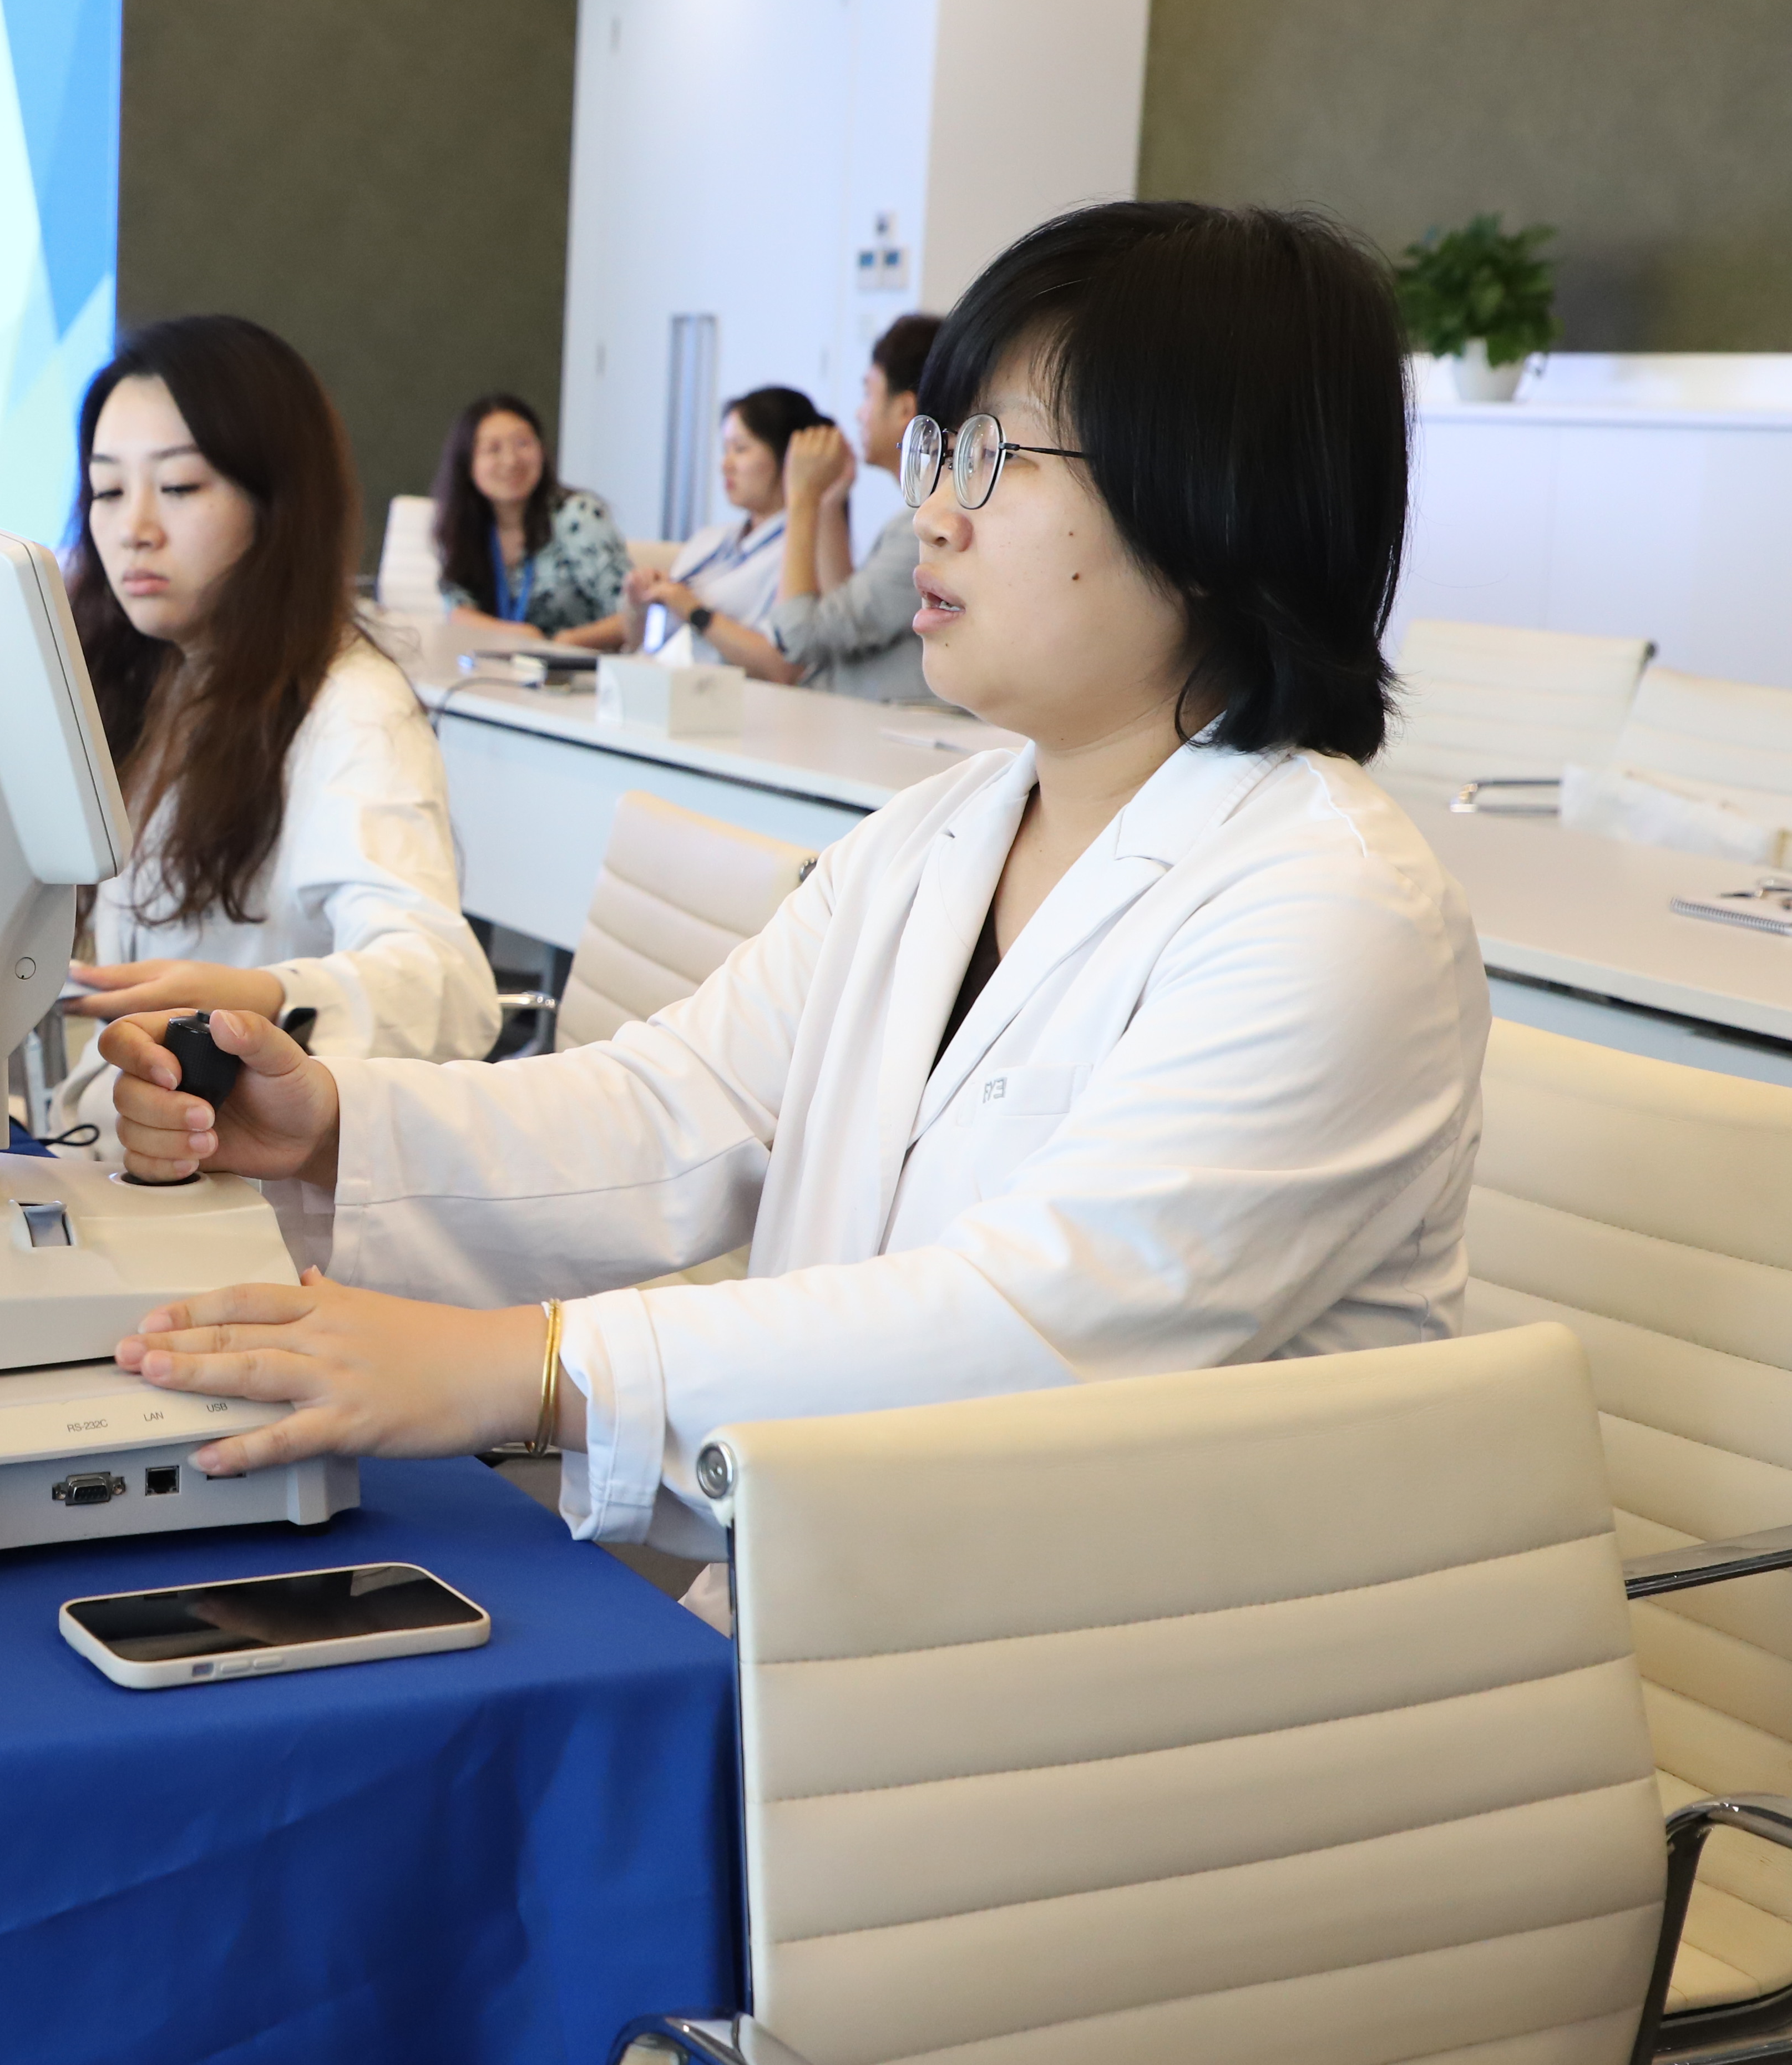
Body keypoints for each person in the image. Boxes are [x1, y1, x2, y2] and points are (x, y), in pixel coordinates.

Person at [90, 203, 1481, 1569]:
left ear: (1214, 501)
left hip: (1114, 1675)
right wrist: (335, 1126)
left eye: (993, 457)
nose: (930, 512)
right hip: (842, 1609)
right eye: (936, 449)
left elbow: (1026, 1328)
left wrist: (529, 1366)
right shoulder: (939, 835)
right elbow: (677, 1108)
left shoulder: (1333, 913)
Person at [58, 317, 498, 1120]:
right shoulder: (149, 673)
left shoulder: (352, 707)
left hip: (236, 1165)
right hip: (121, 1133)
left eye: (180, 487)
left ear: (278, 505)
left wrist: (258, 997)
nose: (134, 529)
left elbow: (447, 988)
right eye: (108, 491)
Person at [769, 311, 950, 706]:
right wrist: (828, 503)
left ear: (904, 409)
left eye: (868, 393)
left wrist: (800, 499)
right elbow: (846, 626)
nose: (858, 413)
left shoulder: (925, 530)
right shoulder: (919, 518)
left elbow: (798, 637)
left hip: (887, 732)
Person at [626, 386, 834, 681]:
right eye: (725, 450)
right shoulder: (710, 540)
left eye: (741, 449)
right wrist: (641, 604)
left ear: (788, 456)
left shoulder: (803, 559)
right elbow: (645, 645)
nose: (726, 465)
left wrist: (695, 612)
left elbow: (785, 668)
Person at [429, 393, 629, 647]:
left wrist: (562, 643)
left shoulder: (578, 515)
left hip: (579, 664)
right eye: (493, 449)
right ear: (467, 463)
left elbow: (634, 615)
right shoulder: (461, 524)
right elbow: (458, 610)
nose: (511, 461)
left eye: (523, 443)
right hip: (497, 664)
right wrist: (520, 637)